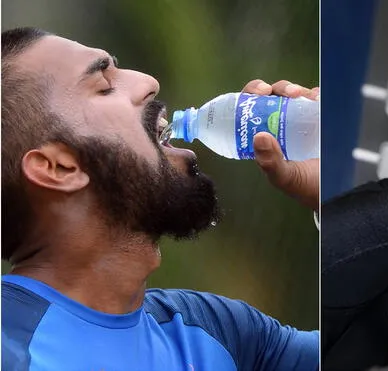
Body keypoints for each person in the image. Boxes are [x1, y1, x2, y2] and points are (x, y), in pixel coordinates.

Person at [1, 27, 319, 371]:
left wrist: (333, 189)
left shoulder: (217, 332)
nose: (148, 82)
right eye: (105, 86)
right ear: (59, 168)